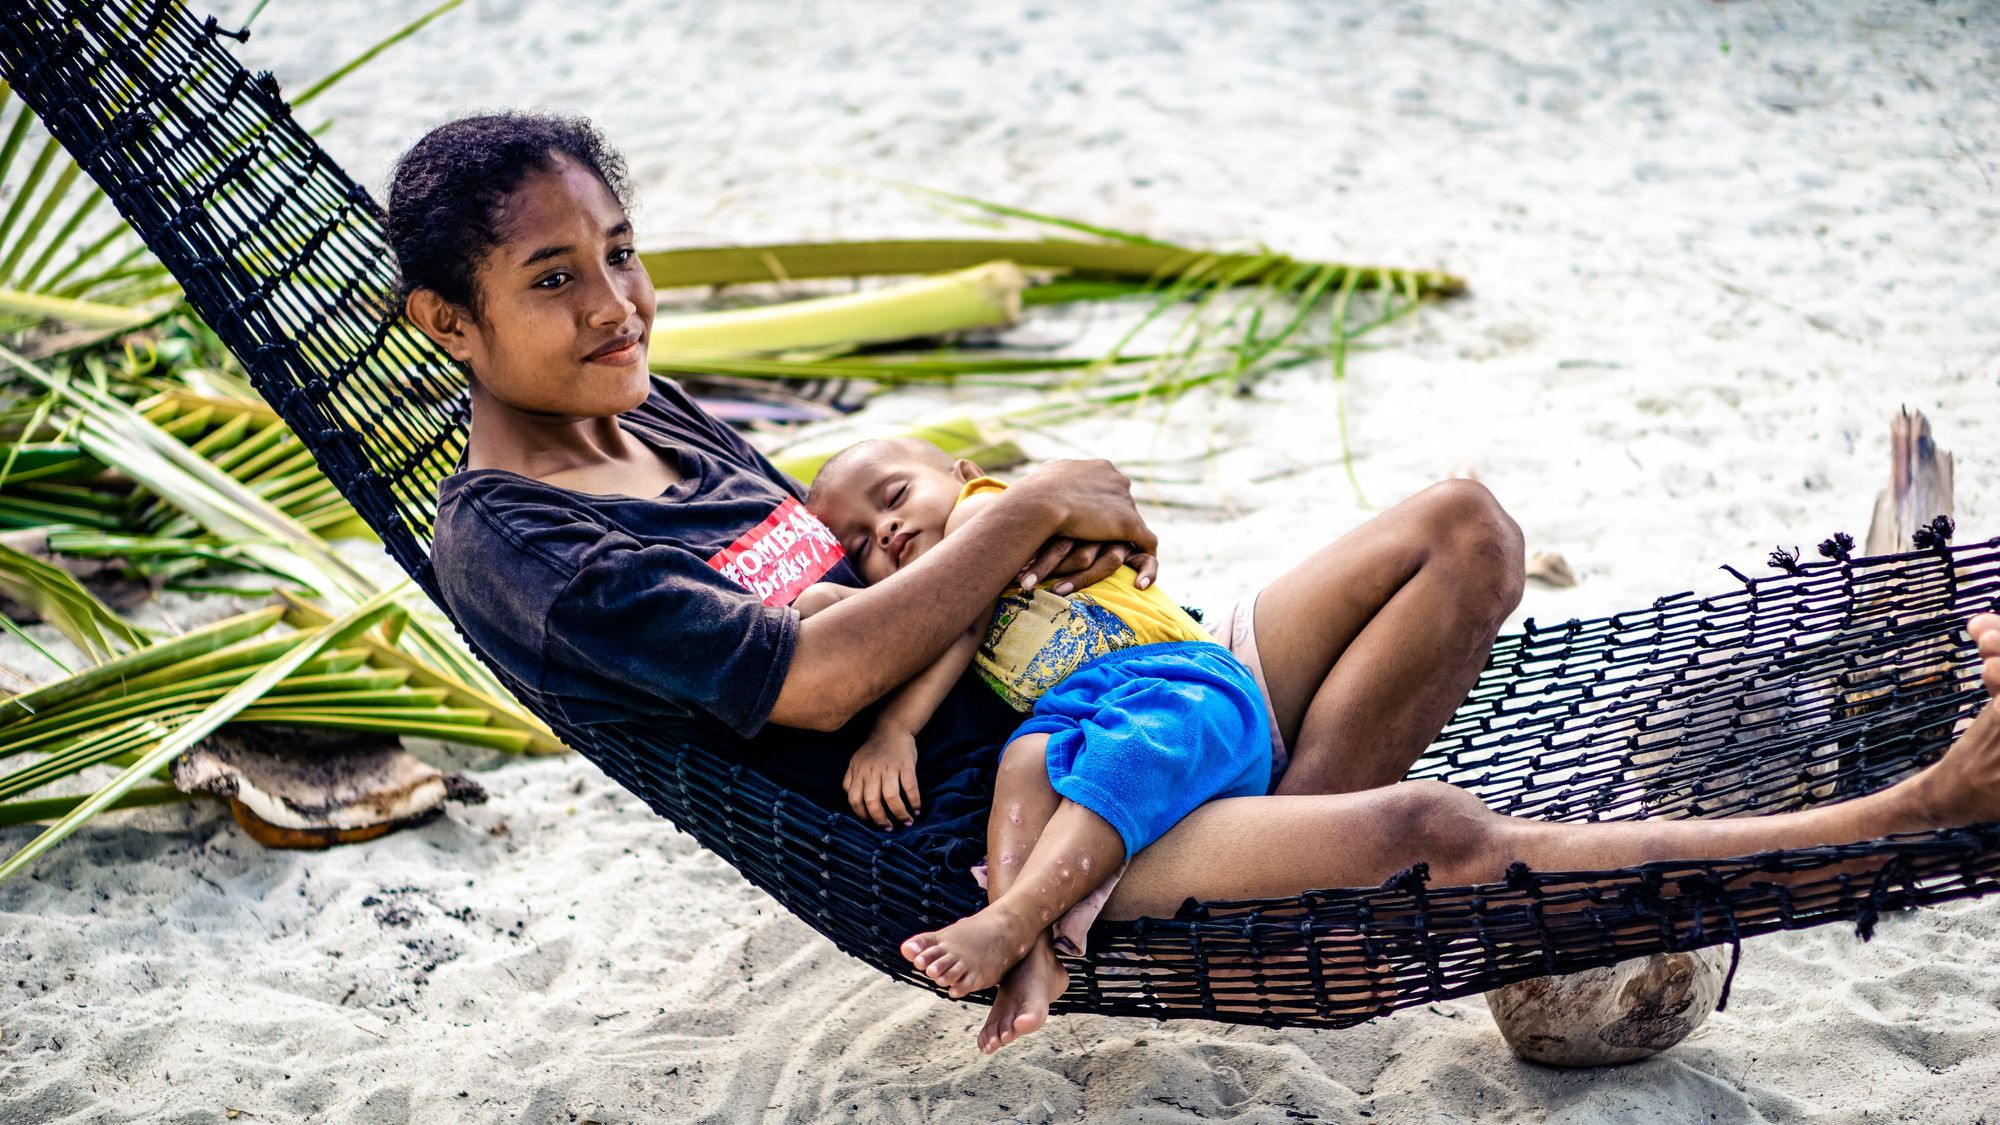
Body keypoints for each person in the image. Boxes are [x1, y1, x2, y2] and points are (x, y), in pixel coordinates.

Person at [390, 111, 2000, 1056]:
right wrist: (1019, 521)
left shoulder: (641, 410)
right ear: (447, 326)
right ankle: (1907, 810)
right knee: (1436, 833)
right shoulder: (521, 544)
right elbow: (810, 683)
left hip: (1111, 684)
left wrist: (1023, 535)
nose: (618, 303)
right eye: (555, 280)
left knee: (1465, 530)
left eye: (620, 248)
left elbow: (873, 551)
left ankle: (1274, 859)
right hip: (1007, 815)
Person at [798, 437, 1276, 1048]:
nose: (885, 530)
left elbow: (963, 622)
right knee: (1023, 761)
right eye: (860, 545)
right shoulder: (939, 581)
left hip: (1180, 682)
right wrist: (828, 601)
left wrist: (894, 731)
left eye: (895, 496)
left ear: (964, 473)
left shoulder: (982, 512)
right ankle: (1030, 953)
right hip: (1084, 706)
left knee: (1126, 749)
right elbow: (913, 619)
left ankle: (1012, 918)